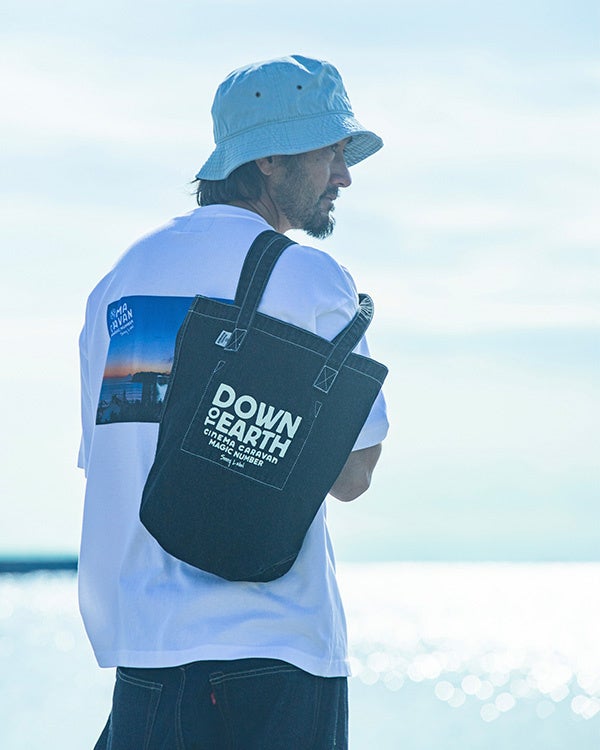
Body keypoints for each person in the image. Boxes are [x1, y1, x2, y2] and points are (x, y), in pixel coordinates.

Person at [78, 54, 389, 749]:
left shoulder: (120, 282)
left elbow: (110, 458)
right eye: (331, 153)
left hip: (147, 652)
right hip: (275, 649)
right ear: (269, 160)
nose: (344, 175)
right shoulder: (311, 278)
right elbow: (353, 476)